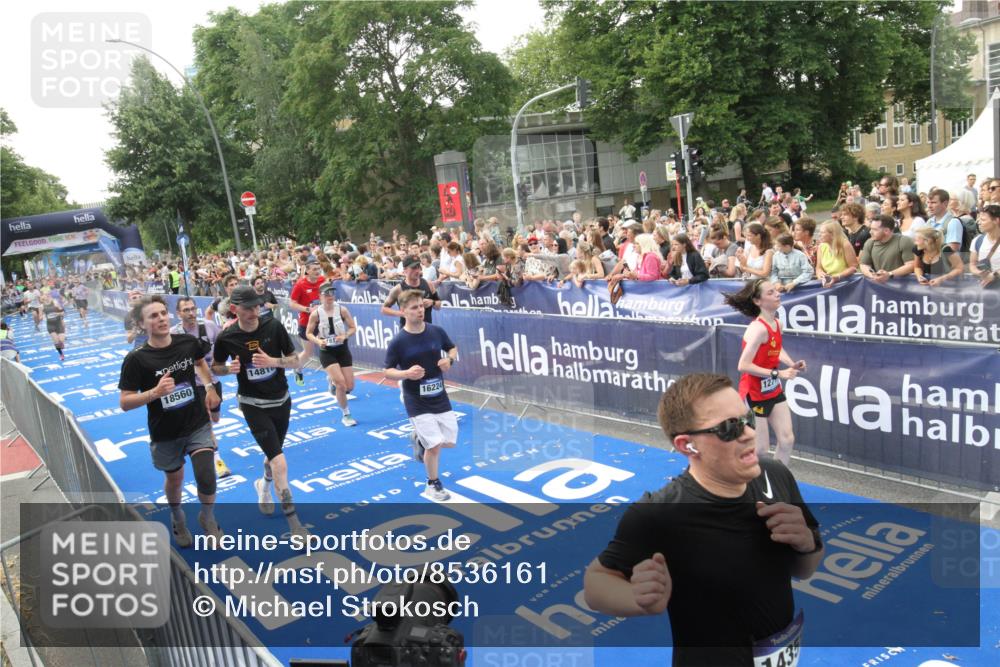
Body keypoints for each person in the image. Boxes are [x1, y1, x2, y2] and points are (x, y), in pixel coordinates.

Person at [583, 372, 822, 667]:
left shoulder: (775, 475)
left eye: (747, 419)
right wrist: (636, 598)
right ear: (687, 445)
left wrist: (806, 544)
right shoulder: (660, 513)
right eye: (729, 428)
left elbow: (806, 570)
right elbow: (596, 584)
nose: (749, 433)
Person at [118, 295, 222, 546]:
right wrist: (155, 392)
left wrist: (209, 387)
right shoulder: (136, 358)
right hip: (165, 431)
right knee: (175, 480)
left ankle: (207, 517)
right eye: (153, 316)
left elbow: (200, 362)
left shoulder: (187, 342)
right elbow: (125, 402)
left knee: (207, 474)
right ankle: (177, 517)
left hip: (196, 422)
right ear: (143, 325)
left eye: (163, 313)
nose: (161, 319)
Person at [212, 286, 308, 539]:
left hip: (281, 399)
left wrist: (273, 362)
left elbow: (296, 360)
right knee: (279, 461)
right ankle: (295, 526)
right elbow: (216, 367)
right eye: (248, 308)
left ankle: (263, 485)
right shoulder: (227, 337)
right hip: (252, 403)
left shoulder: (273, 327)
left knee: (271, 458)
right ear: (234, 309)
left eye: (257, 306)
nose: (255, 311)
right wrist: (228, 369)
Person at [383, 290, 460, 502]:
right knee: (434, 446)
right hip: (415, 399)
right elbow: (387, 370)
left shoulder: (436, 331)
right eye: (414, 307)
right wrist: (406, 374)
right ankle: (433, 484)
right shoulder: (399, 341)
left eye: (421, 306)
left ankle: (418, 439)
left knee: (450, 441)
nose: (420, 310)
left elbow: (452, 348)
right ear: (403, 312)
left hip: (439, 394)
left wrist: (449, 360)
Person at [724, 280, 806, 465]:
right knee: (760, 449)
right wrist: (779, 374)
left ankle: (777, 484)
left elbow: (776, 348)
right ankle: (753, 485)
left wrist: (792, 364)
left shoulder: (777, 323)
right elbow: (743, 365)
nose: (777, 294)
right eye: (770, 293)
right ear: (757, 301)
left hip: (772, 390)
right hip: (753, 393)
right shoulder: (758, 329)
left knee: (787, 440)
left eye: (776, 290)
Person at [171, 297, 232, 478]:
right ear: (178, 313)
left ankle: (205, 436)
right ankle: (218, 462)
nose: (190, 313)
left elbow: (223, 348)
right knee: (206, 424)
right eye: (186, 310)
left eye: (192, 309)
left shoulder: (209, 326)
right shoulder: (175, 334)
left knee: (215, 418)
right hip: (193, 386)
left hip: (214, 382)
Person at [306, 282, 359, 427]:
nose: (330, 296)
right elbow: (308, 333)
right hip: (326, 351)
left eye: (332, 293)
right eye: (326, 294)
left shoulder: (342, 310)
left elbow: (353, 328)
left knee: (349, 386)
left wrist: (345, 335)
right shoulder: (316, 314)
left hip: (342, 350)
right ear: (320, 296)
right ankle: (346, 415)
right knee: (341, 385)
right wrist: (318, 341)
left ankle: (331, 380)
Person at [288, 259, 326, 386]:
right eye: (314, 269)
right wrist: (308, 309)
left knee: (327, 348)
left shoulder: (322, 280)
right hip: (307, 323)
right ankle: (297, 369)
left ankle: (333, 379)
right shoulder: (300, 285)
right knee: (308, 353)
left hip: (323, 321)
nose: (317, 271)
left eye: (318, 268)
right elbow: (292, 303)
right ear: (307, 271)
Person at [382, 256, 442, 328]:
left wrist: (432, 302)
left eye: (418, 267)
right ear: (405, 270)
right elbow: (384, 309)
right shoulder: (398, 289)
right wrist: (402, 314)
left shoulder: (428, 284)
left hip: (426, 330)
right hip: (407, 332)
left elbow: (438, 306)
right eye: (413, 268)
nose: (417, 270)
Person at [859, 215, 915, 283]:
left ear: (886, 231)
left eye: (874, 229)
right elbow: (864, 264)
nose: (870, 232)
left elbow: (911, 265)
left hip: (903, 286)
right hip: (879, 286)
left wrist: (889, 274)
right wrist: (872, 275)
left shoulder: (904, 241)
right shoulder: (870, 242)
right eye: (871, 229)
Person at [815, 220, 858, 288]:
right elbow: (818, 268)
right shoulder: (821, 247)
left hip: (846, 283)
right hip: (829, 285)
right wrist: (819, 273)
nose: (819, 235)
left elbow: (853, 267)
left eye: (822, 232)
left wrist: (838, 276)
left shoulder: (845, 245)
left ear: (832, 234)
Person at [970, 204, 1000, 288]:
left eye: (983, 220)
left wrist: (994, 275)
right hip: (985, 291)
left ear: (996, 221)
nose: (978, 222)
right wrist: (979, 272)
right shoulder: (977, 240)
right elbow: (972, 264)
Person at [41, 293, 67, 361]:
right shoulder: (41, 306)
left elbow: (63, 312)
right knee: (56, 342)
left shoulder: (55, 302)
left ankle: (61, 344)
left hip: (58, 323)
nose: (43, 299)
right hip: (50, 325)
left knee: (61, 341)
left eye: (45, 297)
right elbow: (40, 316)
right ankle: (61, 354)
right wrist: (42, 317)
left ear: (48, 296)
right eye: (42, 298)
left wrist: (58, 313)